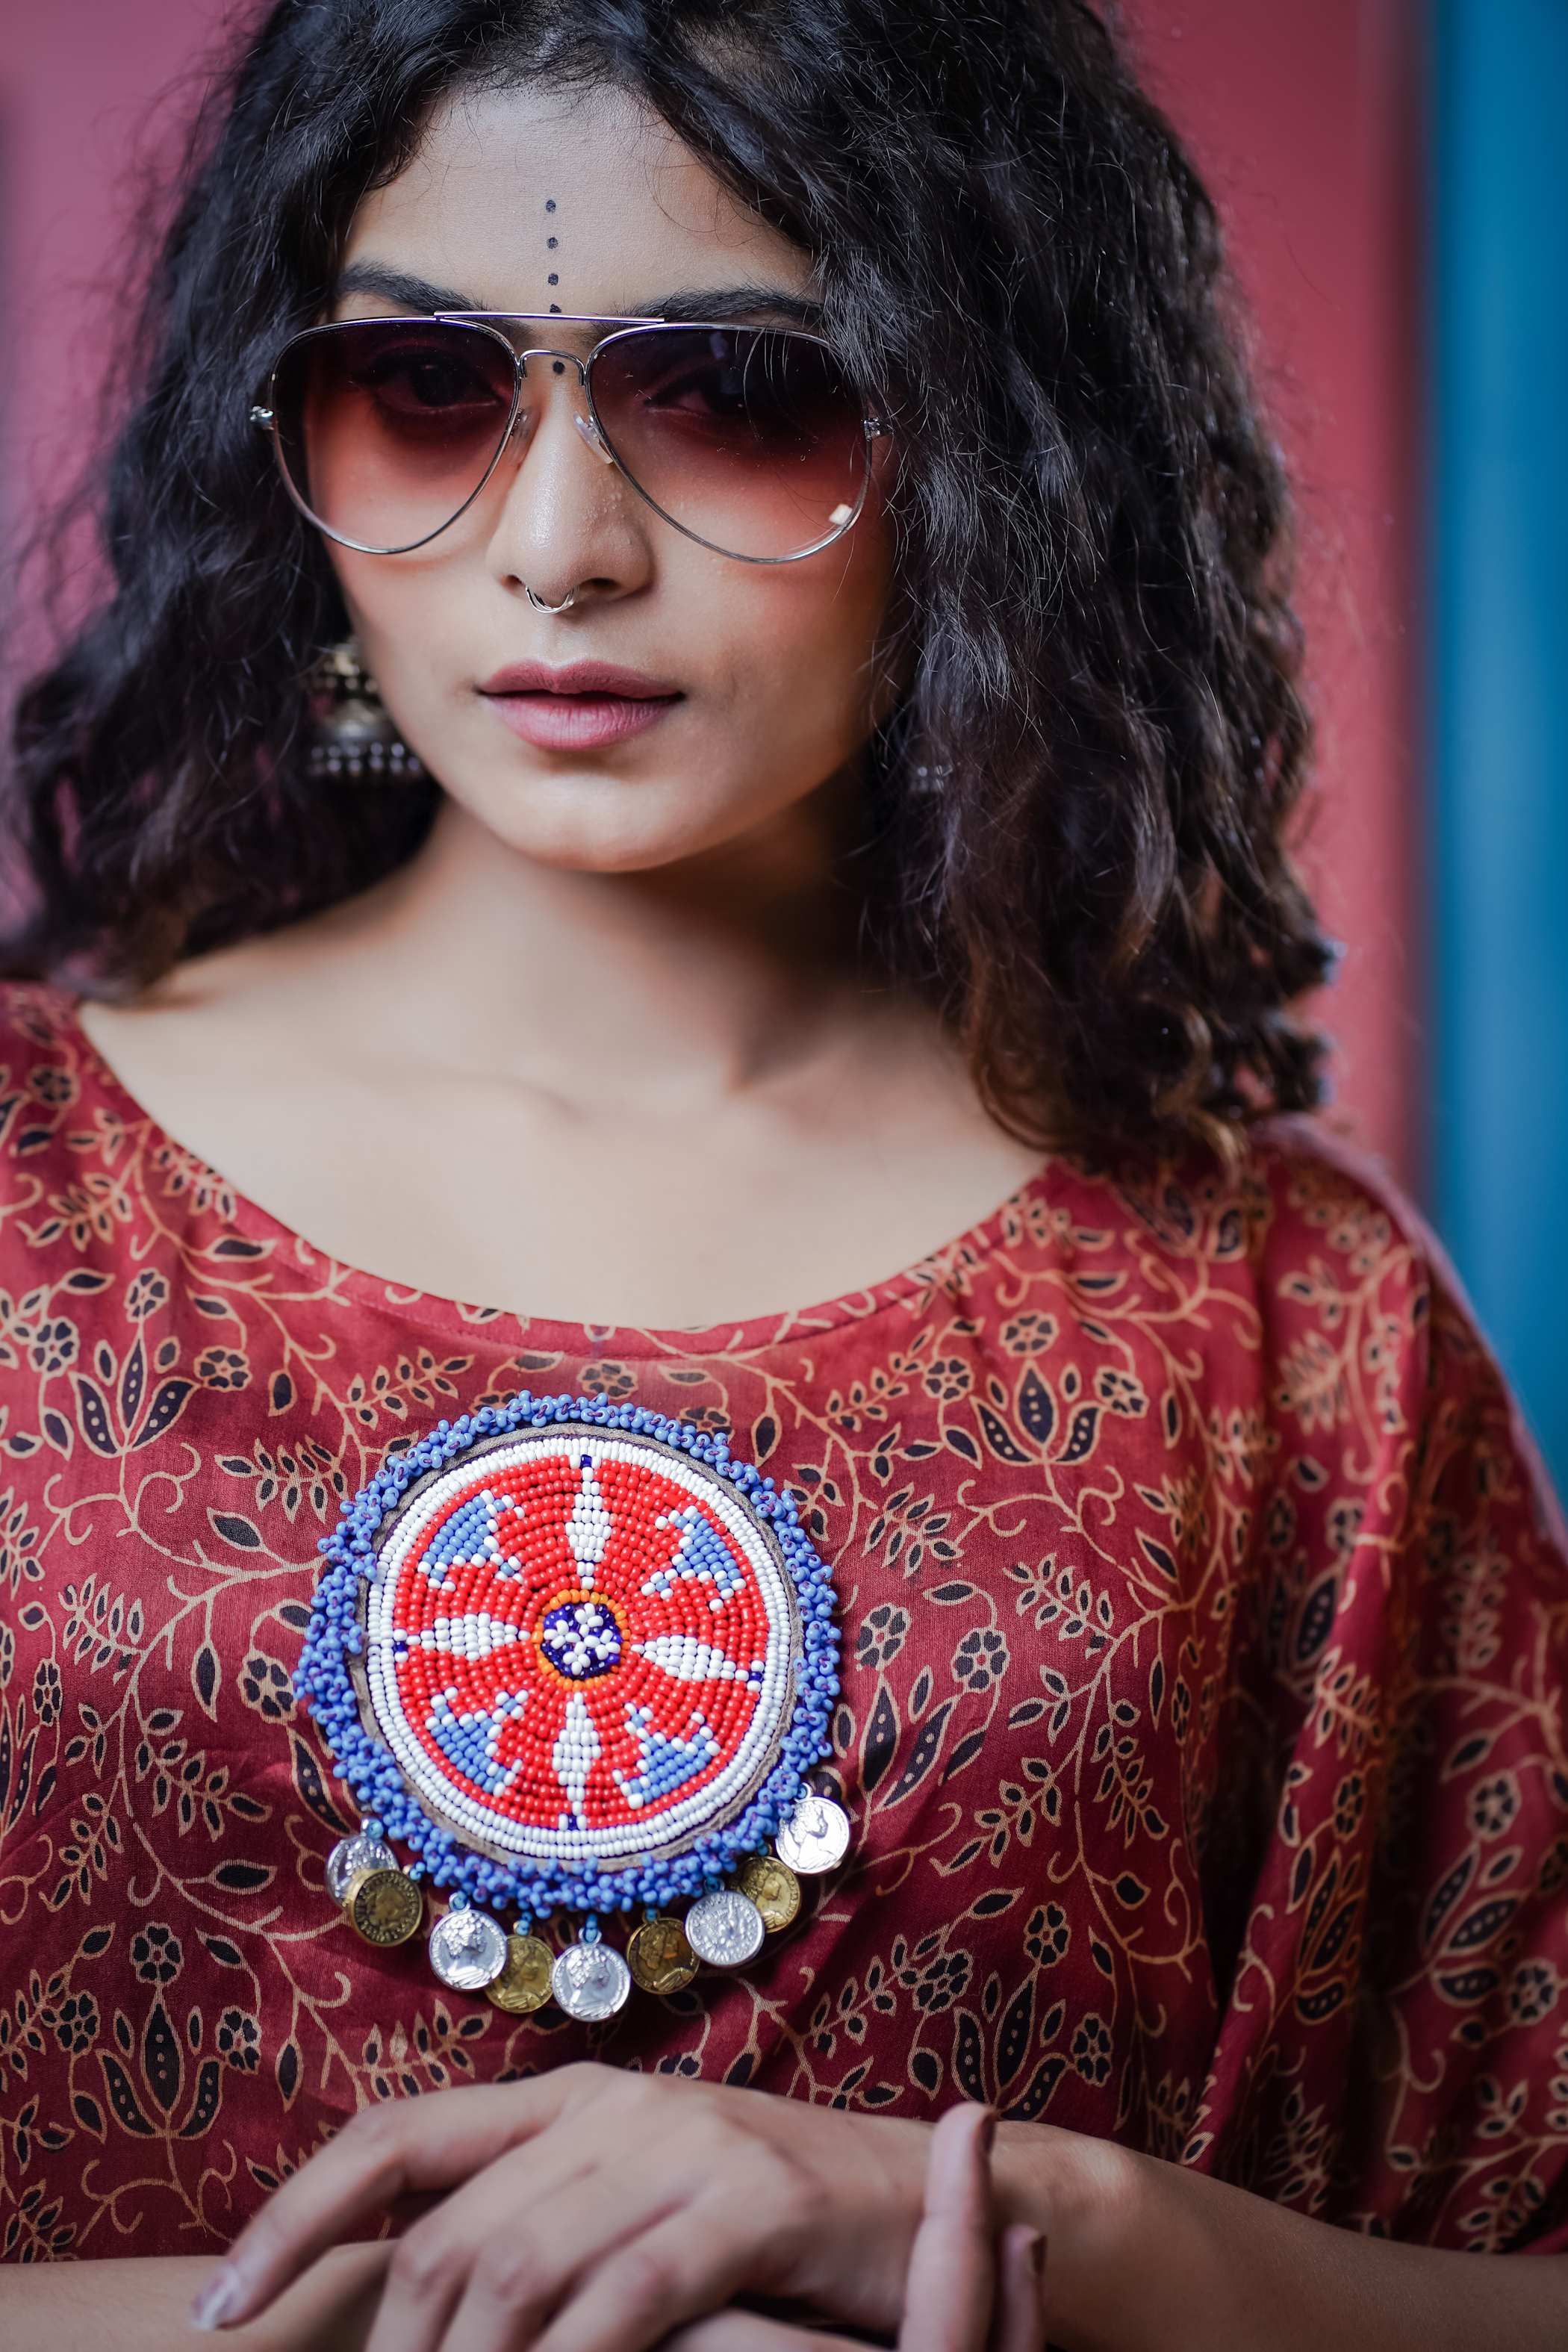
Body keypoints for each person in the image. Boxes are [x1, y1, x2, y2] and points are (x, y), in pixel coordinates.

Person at [0, 1, 1564, 2347]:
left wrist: (1038, 2229)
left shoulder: (1283, 1317)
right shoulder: (22, 1194)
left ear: (999, 456)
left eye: (736, 395)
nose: (556, 549)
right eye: (421, 389)